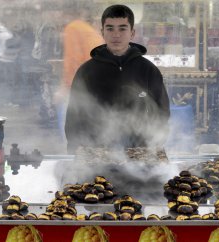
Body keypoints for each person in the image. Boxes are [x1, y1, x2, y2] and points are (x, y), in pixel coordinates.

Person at [64, 5, 170, 154]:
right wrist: (74, 151)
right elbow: (74, 116)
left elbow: (162, 112)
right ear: (102, 32)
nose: (116, 35)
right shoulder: (86, 71)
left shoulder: (148, 70)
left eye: (122, 28)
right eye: (110, 28)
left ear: (132, 33)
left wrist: (154, 146)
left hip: (138, 153)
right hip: (96, 154)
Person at [56, 3, 104, 139]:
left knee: (78, 131)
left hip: (86, 84)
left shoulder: (72, 28)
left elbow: (73, 61)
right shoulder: (86, 29)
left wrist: (65, 89)